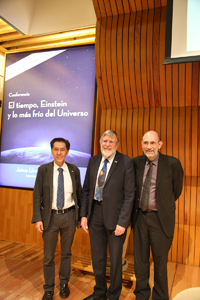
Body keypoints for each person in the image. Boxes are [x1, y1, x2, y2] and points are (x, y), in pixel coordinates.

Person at [80, 129, 135, 300]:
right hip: (95, 213)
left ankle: (113, 295)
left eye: (111, 142)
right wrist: (83, 215)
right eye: (105, 141)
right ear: (100, 143)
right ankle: (99, 293)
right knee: (97, 257)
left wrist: (123, 222)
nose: (107, 144)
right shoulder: (94, 160)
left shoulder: (126, 162)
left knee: (116, 260)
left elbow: (129, 195)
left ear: (117, 145)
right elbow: (87, 189)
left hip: (116, 218)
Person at [132, 130, 183, 300]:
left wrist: (159, 205)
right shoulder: (136, 163)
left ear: (160, 144)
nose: (149, 146)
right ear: (141, 144)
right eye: (145, 143)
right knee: (140, 261)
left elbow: (176, 191)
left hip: (160, 220)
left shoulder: (173, 164)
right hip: (140, 218)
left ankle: (160, 297)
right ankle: (141, 294)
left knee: (160, 264)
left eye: (152, 143)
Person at [31, 137, 81, 300]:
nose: (59, 152)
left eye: (62, 149)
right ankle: (49, 288)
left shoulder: (74, 170)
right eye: (56, 149)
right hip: (49, 218)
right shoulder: (43, 170)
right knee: (48, 256)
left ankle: (64, 283)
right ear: (52, 151)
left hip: (69, 216)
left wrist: (80, 217)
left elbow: (79, 195)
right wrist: (38, 218)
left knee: (66, 253)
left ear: (67, 151)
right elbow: (37, 195)